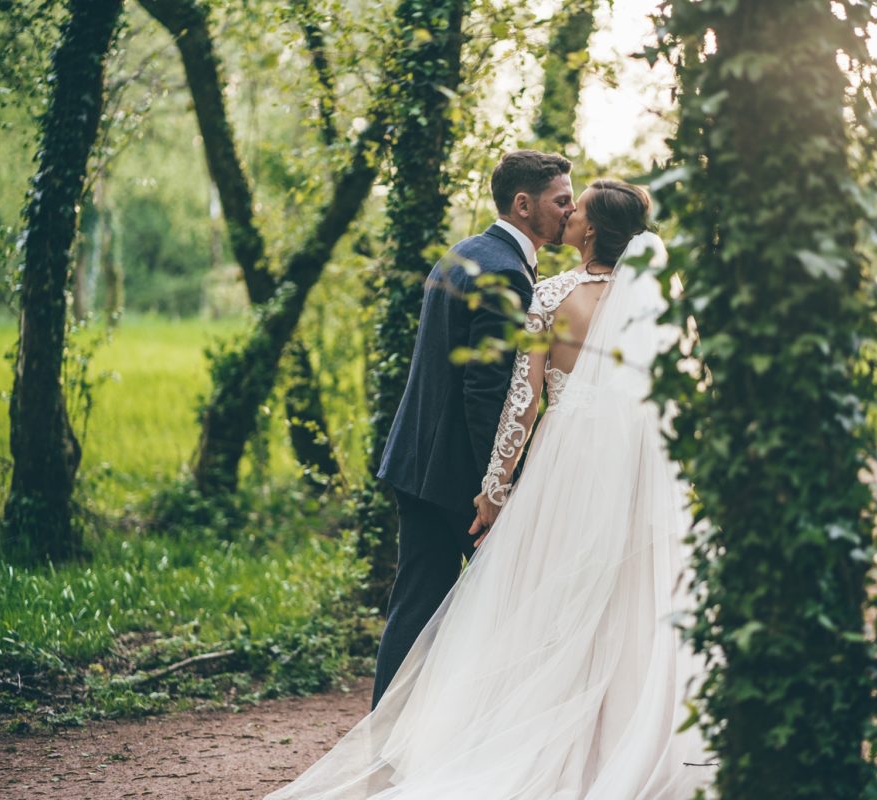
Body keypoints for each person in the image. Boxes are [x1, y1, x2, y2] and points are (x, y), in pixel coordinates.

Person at [266, 180, 707, 799]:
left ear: (592, 231)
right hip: (633, 470)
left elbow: (520, 404)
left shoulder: (552, 295)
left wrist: (496, 488)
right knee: (626, 599)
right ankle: (619, 742)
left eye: (576, 210)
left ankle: (544, 742)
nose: (569, 214)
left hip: (565, 470)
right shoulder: (660, 308)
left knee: (550, 602)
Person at [372, 150, 576, 707]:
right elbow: (486, 392)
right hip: (456, 477)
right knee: (506, 610)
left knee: (416, 604)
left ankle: (391, 738)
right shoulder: (506, 271)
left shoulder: (465, 254)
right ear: (523, 203)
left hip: (418, 462)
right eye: (561, 200)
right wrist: (497, 488)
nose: (570, 209)